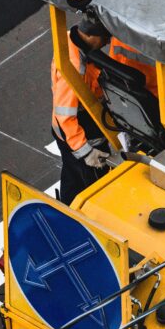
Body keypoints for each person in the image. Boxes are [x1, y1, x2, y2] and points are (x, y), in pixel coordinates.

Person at [52, 12, 112, 204]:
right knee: (95, 186)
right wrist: (87, 153)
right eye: (105, 38)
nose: (107, 42)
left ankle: (66, 209)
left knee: (72, 175)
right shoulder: (75, 68)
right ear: (92, 35)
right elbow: (66, 116)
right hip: (80, 135)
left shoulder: (70, 39)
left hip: (69, 134)